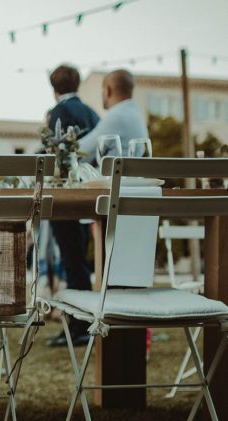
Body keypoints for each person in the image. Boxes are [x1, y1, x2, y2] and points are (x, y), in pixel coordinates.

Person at [45, 65, 100, 348]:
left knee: (71, 261)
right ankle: (81, 322)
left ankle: (78, 326)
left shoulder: (58, 113)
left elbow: (56, 156)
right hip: (90, 197)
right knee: (79, 262)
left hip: (66, 198)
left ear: (53, 87)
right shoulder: (91, 113)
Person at [77, 69, 149, 161]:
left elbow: (82, 152)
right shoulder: (136, 114)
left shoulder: (118, 116)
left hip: (115, 175)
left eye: (102, 90)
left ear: (108, 90)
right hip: (129, 174)